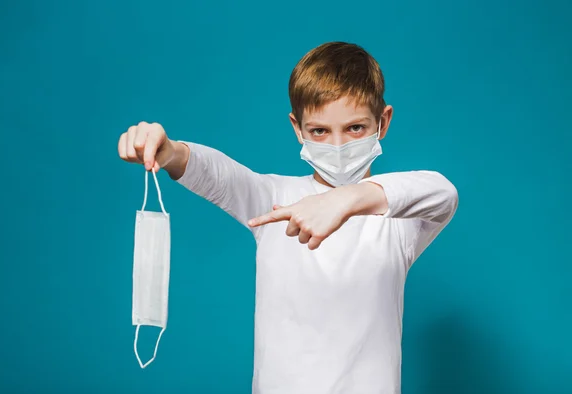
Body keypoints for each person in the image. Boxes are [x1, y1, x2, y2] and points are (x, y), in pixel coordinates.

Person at [118, 41, 458, 394]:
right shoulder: (274, 199)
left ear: (382, 122)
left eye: (355, 128)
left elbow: (443, 193)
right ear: (297, 127)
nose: (338, 147)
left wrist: (349, 198)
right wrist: (170, 151)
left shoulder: (397, 219)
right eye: (319, 131)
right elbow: (217, 174)